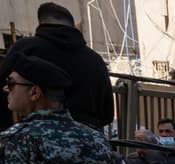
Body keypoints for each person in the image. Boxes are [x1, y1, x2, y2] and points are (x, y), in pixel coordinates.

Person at [0, 3, 112, 131]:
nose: (7, 88)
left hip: (33, 136)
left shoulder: (25, 49)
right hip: (88, 138)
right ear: (72, 25)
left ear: (40, 23)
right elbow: (107, 115)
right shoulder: (95, 59)